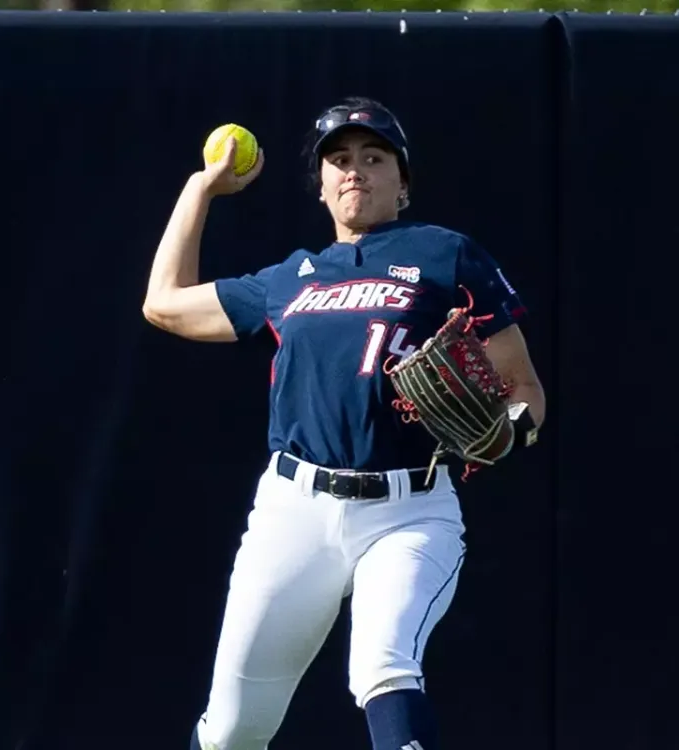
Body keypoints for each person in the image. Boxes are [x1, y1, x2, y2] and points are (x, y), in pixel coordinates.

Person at [142, 97, 546, 750]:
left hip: (409, 511)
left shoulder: (445, 256)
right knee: (232, 732)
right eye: (339, 159)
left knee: (383, 665)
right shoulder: (290, 279)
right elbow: (163, 304)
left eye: (373, 156)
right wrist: (200, 189)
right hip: (293, 509)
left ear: (402, 181)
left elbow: (523, 389)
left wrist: (511, 426)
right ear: (323, 186)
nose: (354, 169)